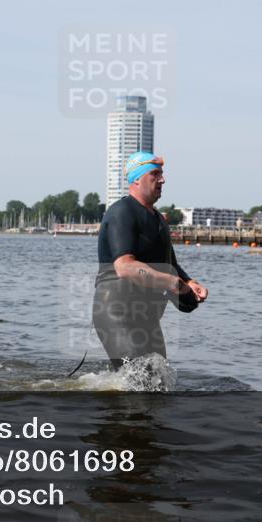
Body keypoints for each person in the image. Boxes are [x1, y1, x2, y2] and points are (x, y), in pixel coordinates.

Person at [92, 152, 208, 369]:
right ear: (137, 178)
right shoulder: (121, 212)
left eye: (162, 174)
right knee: (138, 376)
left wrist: (189, 283)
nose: (162, 180)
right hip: (115, 313)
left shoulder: (158, 220)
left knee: (159, 381)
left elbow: (170, 265)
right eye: (155, 174)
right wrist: (171, 283)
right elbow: (124, 266)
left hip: (147, 318)